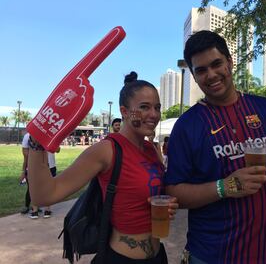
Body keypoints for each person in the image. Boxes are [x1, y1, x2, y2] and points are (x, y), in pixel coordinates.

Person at [164, 30, 266, 264]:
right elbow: (173, 192)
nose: (211, 75)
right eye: (201, 70)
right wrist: (224, 187)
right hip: (210, 255)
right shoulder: (187, 125)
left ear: (230, 62)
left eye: (216, 64)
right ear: (193, 75)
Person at [27, 71, 178, 263]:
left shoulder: (151, 149)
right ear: (124, 111)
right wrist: (37, 139)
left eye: (157, 107)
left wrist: (167, 205)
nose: (154, 114)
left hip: (158, 256)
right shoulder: (107, 150)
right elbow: (44, 195)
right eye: (144, 107)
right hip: (120, 259)